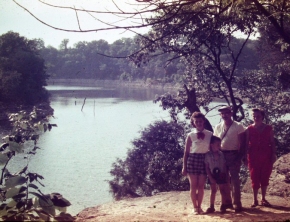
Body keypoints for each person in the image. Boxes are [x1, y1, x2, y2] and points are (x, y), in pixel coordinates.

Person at [214, 105, 245, 213]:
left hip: (234, 155)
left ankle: (237, 203)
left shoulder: (238, 126)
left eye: (226, 113)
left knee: (235, 180)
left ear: (231, 113)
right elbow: (215, 143)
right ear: (220, 115)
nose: (225, 115)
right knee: (223, 180)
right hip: (221, 155)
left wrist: (239, 158)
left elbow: (243, 144)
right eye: (222, 113)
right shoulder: (218, 127)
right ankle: (226, 202)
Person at [182, 112, 213, 215]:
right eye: (196, 121)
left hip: (204, 160)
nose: (199, 123)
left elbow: (213, 149)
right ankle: (195, 207)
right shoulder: (190, 135)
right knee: (193, 186)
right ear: (193, 123)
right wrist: (184, 167)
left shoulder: (209, 134)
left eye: (200, 121)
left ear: (203, 121)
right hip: (193, 160)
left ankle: (200, 207)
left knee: (201, 186)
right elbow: (186, 152)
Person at [245, 108, 276, 207]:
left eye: (258, 116)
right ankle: (255, 200)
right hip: (253, 156)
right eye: (254, 116)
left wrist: (273, 154)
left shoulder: (269, 128)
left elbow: (272, 142)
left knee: (265, 176)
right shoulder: (249, 129)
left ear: (262, 116)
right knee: (254, 176)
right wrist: (244, 157)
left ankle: (263, 198)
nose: (256, 118)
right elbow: (246, 144)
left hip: (266, 155)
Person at [204, 136, 233, 214]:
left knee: (222, 190)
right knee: (213, 190)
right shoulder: (208, 155)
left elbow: (224, 165)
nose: (219, 146)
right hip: (212, 174)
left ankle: (223, 205)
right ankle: (211, 206)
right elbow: (206, 167)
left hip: (221, 174)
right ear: (212, 145)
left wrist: (226, 175)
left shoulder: (221, 154)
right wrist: (210, 177)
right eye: (217, 144)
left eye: (220, 144)